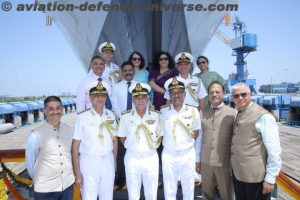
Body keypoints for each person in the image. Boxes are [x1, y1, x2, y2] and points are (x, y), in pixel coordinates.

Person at [231, 83, 281, 200]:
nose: (240, 98)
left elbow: (274, 150)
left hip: (255, 177)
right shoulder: (238, 113)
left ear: (251, 94)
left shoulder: (263, 116)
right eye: (236, 96)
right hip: (239, 175)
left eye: (243, 94)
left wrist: (270, 178)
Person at [72, 80, 118, 200]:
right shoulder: (82, 117)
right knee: (89, 197)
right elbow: (75, 146)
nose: (99, 98)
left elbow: (115, 141)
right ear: (90, 97)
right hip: (89, 162)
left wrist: (114, 162)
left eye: (102, 95)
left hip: (108, 161)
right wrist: (77, 173)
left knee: (107, 196)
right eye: (96, 95)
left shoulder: (111, 116)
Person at [118, 83, 162, 200]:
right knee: (133, 194)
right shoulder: (125, 117)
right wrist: (132, 147)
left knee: (151, 194)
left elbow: (160, 136)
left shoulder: (156, 116)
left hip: (151, 158)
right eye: (137, 97)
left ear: (148, 98)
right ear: (133, 99)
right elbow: (121, 137)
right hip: (132, 158)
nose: (140, 100)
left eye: (143, 97)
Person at [25, 96, 74, 200]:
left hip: (67, 185)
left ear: (62, 109)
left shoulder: (70, 130)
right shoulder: (35, 134)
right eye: (51, 109)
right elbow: (30, 163)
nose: (55, 111)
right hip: (45, 190)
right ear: (45, 111)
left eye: (58, 108)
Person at [161, 77, 202, 200]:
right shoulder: (163, 112)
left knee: (188, 189)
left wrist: (196, 157)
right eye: (173, 92)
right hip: (169, 155)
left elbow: (196, 133)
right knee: (169, 190)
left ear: (184, 94)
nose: (176, 95)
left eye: (179, 92)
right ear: (169, 95)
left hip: (187, 155)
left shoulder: (194, 111)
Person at [200, 81, 236, 200]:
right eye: (211, 92)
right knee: (206, 193)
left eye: (217, 92)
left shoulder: (233, 113)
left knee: (226, 194)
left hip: (224, 162)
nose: (214, 94)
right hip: (206, 162)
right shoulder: (202, 113)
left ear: (224, 94)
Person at [111, 61, 136, 190]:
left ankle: (134, 178)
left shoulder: (140, 86)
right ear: (122, 72)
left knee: (135, 150)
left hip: (137, 124)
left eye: (130, 70)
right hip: (122, 123)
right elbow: (114, 105)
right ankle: (121, 179)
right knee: (121, 152)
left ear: (134, 71)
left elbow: (145, 104)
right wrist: (124, 119)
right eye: (125, 70)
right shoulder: (116, 87)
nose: (128, 72)